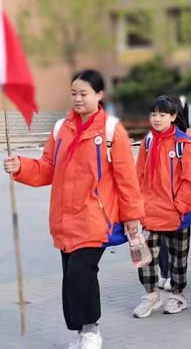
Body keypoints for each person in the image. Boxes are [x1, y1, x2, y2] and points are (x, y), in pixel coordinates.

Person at [3, 70, 144, 349]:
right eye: (74, 93)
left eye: (84, 93)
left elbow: (127, 180)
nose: (78, 99)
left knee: (82, 272)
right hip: (64, 220)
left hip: (95, 218)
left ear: (99, 95)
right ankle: (80, 331)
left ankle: (92, 330)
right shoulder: (60, 129)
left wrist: (132, 218)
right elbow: (47, 169)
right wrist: (20, 166)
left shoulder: (111, 131)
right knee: (70, 279)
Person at [133, 96, 191, 317]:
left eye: (162, 114)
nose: (157, 119)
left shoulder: (184, 144)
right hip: (150, 212)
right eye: (153, 114)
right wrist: (137, 205)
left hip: (176, 214)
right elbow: (138, 175)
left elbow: (190, 180)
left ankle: (178, 296)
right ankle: (151, 295)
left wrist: (180, 206)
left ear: (172, 116)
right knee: (145, 256)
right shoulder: (148, 142)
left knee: (178, 259)